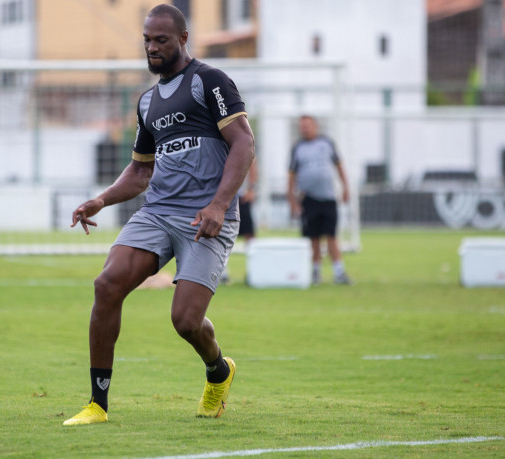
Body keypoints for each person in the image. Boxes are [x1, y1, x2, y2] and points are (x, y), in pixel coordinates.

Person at [64, 4, 255, 426]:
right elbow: (140, 170)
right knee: (107, 283)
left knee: (185, 321)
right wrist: (102, 199)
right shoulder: (147, 102)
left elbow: (244, 143)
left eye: (161, 40)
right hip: (159, 212)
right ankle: (97, 404)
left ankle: (218, 371)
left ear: (183, 39)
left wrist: (219, 205)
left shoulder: (211, 82)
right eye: (147, 40)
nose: (151, 48)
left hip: (205, 216)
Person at [287, 115, 352, 285]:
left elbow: (339, 167)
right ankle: (315, 272)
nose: (305, 129)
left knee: (331, 235)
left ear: (315, 126)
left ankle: (339, 272)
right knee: (313, 237)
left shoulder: (327, 143)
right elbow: (291, 175)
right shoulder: (297, 148)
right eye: (302, 126)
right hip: (308, 199)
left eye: (307, 125)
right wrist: (292, 201)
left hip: (328, 198)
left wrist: (346, 188)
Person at [220, 157, 257, 285]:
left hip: (241, 196)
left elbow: (252, 162)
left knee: (249, 234)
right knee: (220, 231)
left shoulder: (239, 138)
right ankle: (222, 271)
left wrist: (251, 189)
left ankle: (253, 270)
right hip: (222, 196)